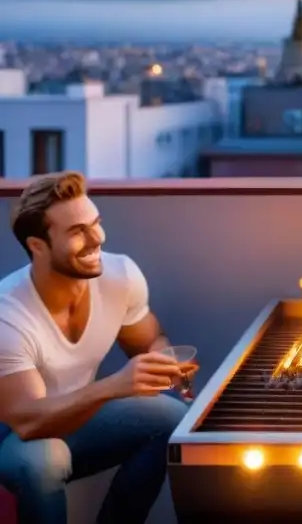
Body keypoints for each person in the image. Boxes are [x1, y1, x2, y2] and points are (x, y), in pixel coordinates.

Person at [0, 172, 194, 524]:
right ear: (37, 245)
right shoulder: (7, 315)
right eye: (77, 232)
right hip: (12, 437)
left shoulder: (120, 276)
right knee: (45, 459)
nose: (96, 240)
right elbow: (27, 421)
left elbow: (149, 341)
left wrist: (163, 363)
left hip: (76, 418)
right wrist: (113, 387)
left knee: (173, 416)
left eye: (96, 223)